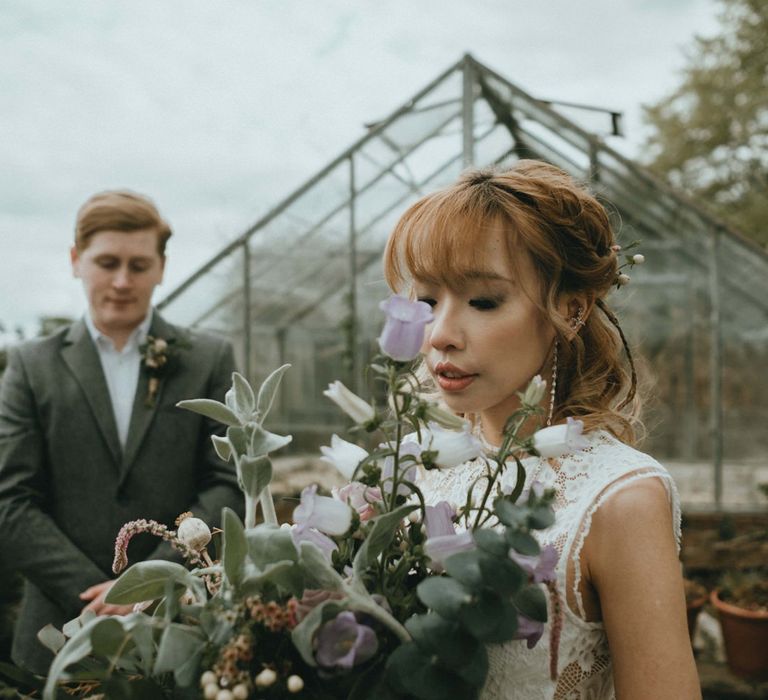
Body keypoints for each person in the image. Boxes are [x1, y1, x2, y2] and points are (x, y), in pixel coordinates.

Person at [383, 161, 701, 699]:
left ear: (570, 311)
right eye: (428, 301)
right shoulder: (409, 464)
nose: (439, 334)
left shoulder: (618, 501)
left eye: (483, 301)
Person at [0, 191, 242, 675]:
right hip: (56, 638)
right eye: (107, 262)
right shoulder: (31, 365)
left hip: (182, 629)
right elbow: (11, 499)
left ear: (162, 267)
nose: (121, 281)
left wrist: (148, 584)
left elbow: (226, 482)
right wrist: (100, 593)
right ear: (76, 261)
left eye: (138, 264)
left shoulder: (208, 358)